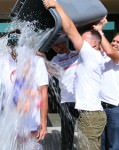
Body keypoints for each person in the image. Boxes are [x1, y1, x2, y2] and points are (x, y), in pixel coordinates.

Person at [43, 1, 108, 150]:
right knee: (76, 138)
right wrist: (100, 28)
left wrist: (56, 5)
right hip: (86, 109)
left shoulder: (88, 56)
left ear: (92, 45)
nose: (79, 43)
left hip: (90, 114)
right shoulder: (93, 57)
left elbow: (71, 29)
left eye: (83, 41)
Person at [0, 29, 49, 143]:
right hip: (9, 120)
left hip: (31, 121)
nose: (14, 50)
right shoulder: (0, 63)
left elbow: (43, 93)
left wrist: (43, 123)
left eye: (18, 46)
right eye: (12, 46)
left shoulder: (37, 62)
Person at [37, 36, 79, 150]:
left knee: (86, 131)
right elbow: (52, 72)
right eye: (54, 46)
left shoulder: (77, 54)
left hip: (83, 100)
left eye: (58, 44)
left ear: (64, 42)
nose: (56, 48)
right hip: (66, 101)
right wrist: (44, 58)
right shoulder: (55, 59)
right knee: (67, 134)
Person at [93, 19, 119, 150]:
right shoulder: (105, 56)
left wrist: (100, 31)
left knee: (114, 145)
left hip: (115, 109)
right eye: (113, 40)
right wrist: (101, 26)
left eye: (118, 42)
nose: (114, 43)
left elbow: (109, 51)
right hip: (100, 107)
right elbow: (102, 48)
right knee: (101, 145)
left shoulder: (117, 56)